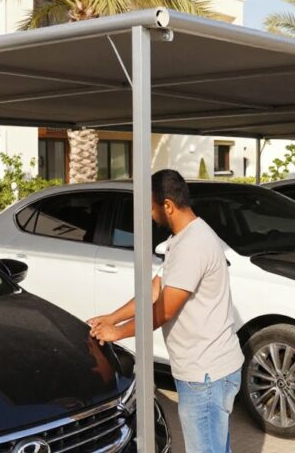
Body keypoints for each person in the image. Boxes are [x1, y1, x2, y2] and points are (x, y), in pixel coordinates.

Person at [89, 169, 243, 453]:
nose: (149, 215)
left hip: (206, 374)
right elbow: (155, 289)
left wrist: (119, 332)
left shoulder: (193, 245)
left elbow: (164, 311)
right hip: (207, 370)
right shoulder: (182, 239)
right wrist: (113, 317)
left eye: (150, 207)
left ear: (167, 206)